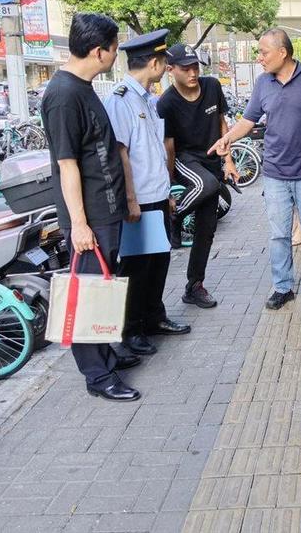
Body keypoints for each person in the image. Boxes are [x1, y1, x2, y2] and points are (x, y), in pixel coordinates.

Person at [40, 12, 140, 402]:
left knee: (101, 288)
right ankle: (98, 377)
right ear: (100, 51)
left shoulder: (83, 88)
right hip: (90, 217)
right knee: (87, 294)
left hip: (106, 210)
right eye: (115, 49)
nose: (116, 55)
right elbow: (67, 166)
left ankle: (105, 356)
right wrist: (79, 225)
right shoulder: (63, 96)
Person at [208, 28, 301, 310]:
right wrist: (227, 138)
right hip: (274, 173)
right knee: (279, 234)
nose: (260, 58)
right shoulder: (262, 83)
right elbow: (248, 121)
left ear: (282, 52)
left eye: (264, 52)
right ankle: (283, 287)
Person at [103, 29, 191, 356]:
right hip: (137, 200)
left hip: (156, 196)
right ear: (154, 62)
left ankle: (155, 317)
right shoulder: (120, 99)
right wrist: (129, 199)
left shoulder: (148, 98)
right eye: (164, 61)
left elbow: (154, 150)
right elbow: (121, 152)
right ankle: (131, 329)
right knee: (136, 269)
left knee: (159, 261)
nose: (166, 66)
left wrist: (167, 192)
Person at [158, 44, 239, 309]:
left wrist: (228, 160)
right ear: (171, 71)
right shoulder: (166, 102)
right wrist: (170, 185)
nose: (193, 73)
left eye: (195, 67)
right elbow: (168, 145)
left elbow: (221, 125)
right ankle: (174, 216)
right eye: (185, 68)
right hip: (185, 160)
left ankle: (194, 287)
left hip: (212, 159)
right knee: (207, 184)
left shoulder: (212, 86)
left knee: (206, 231)